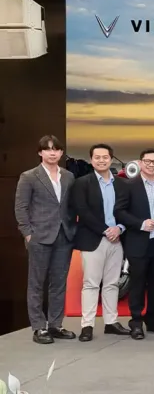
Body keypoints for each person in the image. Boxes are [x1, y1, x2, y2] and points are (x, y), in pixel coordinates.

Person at [14, 135, 78, 344]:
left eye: (56, 149)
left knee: (58, 283)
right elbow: (21, 207)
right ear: (40, 152)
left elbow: (71, 205)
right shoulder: (29, 176)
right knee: (36, 283)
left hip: (64, 235)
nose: (52, 153)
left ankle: (55, 325)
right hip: (39, 236)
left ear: (61, 153)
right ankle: (39, 327)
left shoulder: (68, 176)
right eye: (48, 149)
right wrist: (28, 233)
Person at [71, 143, 131, 341]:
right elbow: (83, 211)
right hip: (93, 239)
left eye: (105, 157)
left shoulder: (122, 184)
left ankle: (111, 322)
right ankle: (87, 325)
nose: (101, 160)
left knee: (112, 283)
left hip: (117, 239)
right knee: (91, 284)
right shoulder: (82, 183)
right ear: (91, 160)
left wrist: (119, 228)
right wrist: (105, 230)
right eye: (97, 157)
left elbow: (127, 211)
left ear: (111, 159)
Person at [114, 148, 154, 340]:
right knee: (137, 283)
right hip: (138, 242)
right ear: (140, 163)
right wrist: (140, 224)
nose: (151, 165)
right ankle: (136, 321)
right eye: (147, 161)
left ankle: (153, 319)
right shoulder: (129, 185)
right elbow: (119, 212)